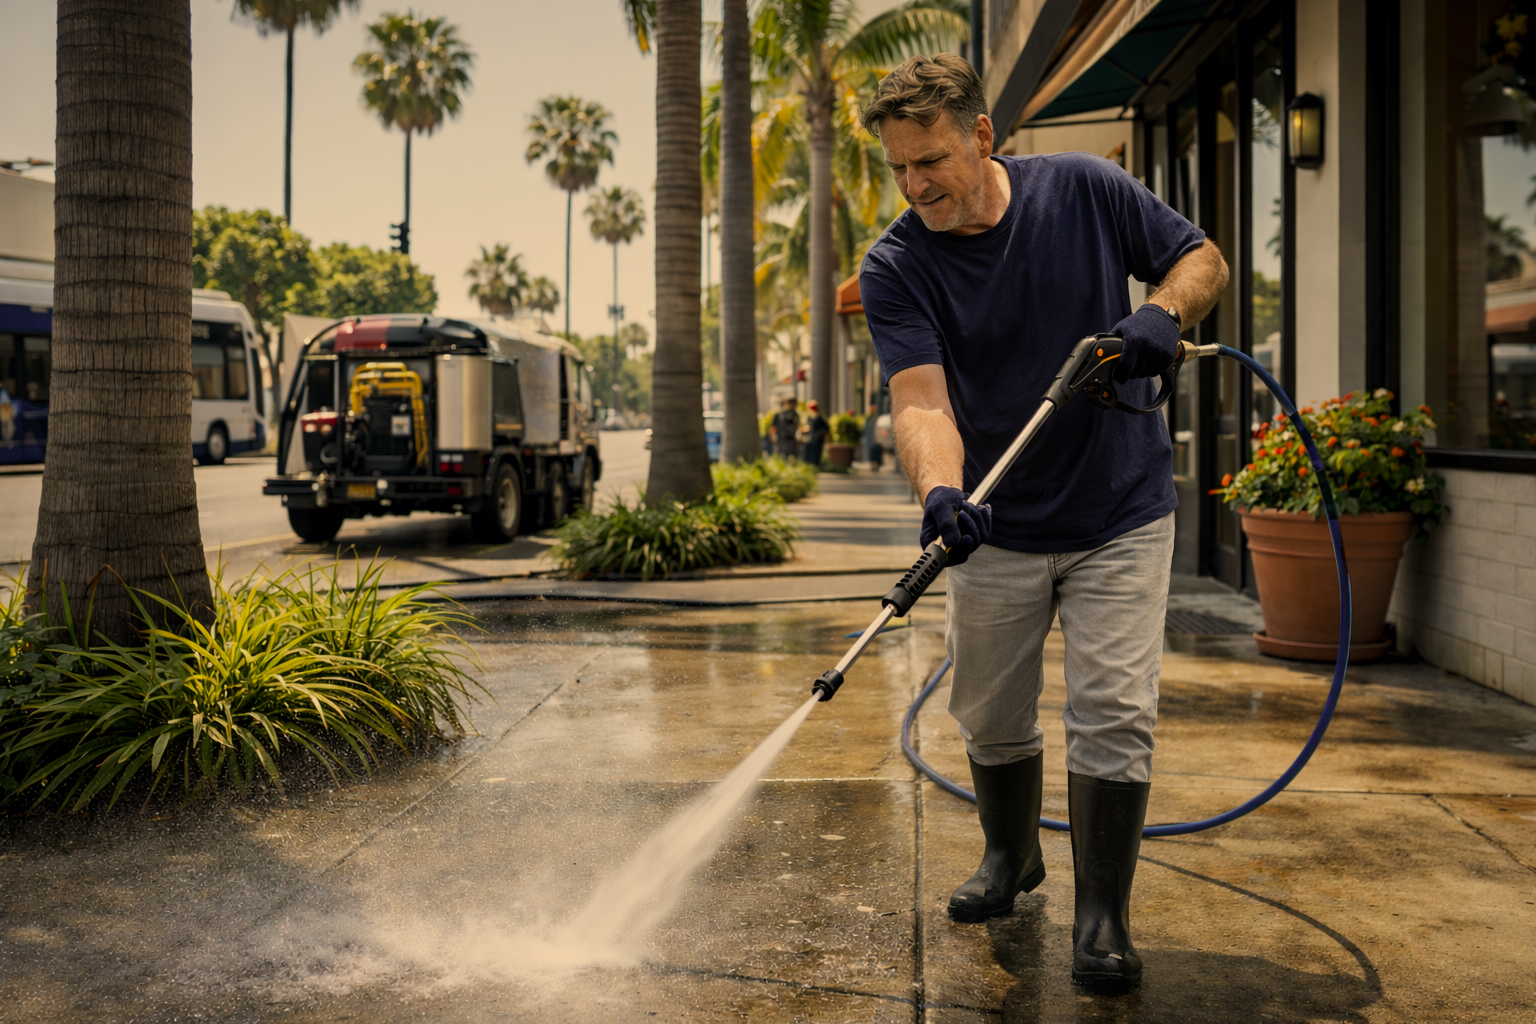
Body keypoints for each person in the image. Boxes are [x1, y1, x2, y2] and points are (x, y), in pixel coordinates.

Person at [858, 54, 1228, 990]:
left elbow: (1202, 259)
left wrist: (1158, 313)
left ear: (982, 136)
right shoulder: (897, 264)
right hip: (996, 519)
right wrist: (942, 497)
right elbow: (921, 401)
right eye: (899, 168)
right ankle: (1010, 857)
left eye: (930, 159)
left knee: (1112, 708)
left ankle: (1102, 916)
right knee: (988, 711)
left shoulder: (1088, 188)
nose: (916, 185)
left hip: (1120, 510)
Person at [802, 400, 829, 468]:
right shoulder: (809, 417)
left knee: (817, 452)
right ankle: (811, 465)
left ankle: (815, 465)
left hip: (818, 438)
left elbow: (825, 428)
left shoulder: (819, 417)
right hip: (810, 438)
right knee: (809, 452)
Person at [862, 402, 884, 471]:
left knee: (875, 453)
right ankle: (873, 465)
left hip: (876, 439)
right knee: (872, 453)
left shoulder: (876, 417)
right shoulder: (869, 417)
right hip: (870, 438)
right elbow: (864, 428)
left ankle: (875, 465)